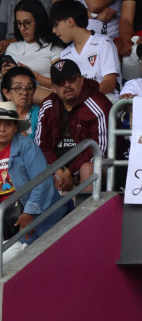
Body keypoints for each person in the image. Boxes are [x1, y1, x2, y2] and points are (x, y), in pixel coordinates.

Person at [35, 58, 112, 193]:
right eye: (61, 82)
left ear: (81, 80)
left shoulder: (97, 104)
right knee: (36, 166)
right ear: (54, 88)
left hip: (90, 165)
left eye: (71, 79)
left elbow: (98, 149)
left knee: (88, 168)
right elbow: (41, 145)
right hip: (59, 168)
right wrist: (58, 170)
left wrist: (70, 172)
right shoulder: (48, 106)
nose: (67, 85)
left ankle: (85, 207)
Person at [0, 100, 66, 244]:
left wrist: (29, 212)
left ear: (15, 128)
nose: (2, 129)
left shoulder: (26, 146)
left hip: (34, 213)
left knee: (17, 253)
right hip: (5, 218)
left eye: (8, 124)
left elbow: (42, 181)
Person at [50, 0, 120, 98]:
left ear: (70, 21)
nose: (53, 30)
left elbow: (110, 83)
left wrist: (83, 99)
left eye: (56, 25)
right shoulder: (64, 54)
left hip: (106, 99)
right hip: (78, 103)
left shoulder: (103, 43)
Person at [4, 0, 63, 104]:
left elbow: (61, 84)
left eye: (27, 23)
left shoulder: (54, 49)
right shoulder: (12, 48)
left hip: (44, 100)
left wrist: (33, 76)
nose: (22, 28)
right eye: (19, 23)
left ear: (39, 22)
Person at [1, 67, 40, 138]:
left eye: (29, 88)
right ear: (6, 93)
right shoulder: (1, 113)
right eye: (18, 88)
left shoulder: (41, 115)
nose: (24, 93)